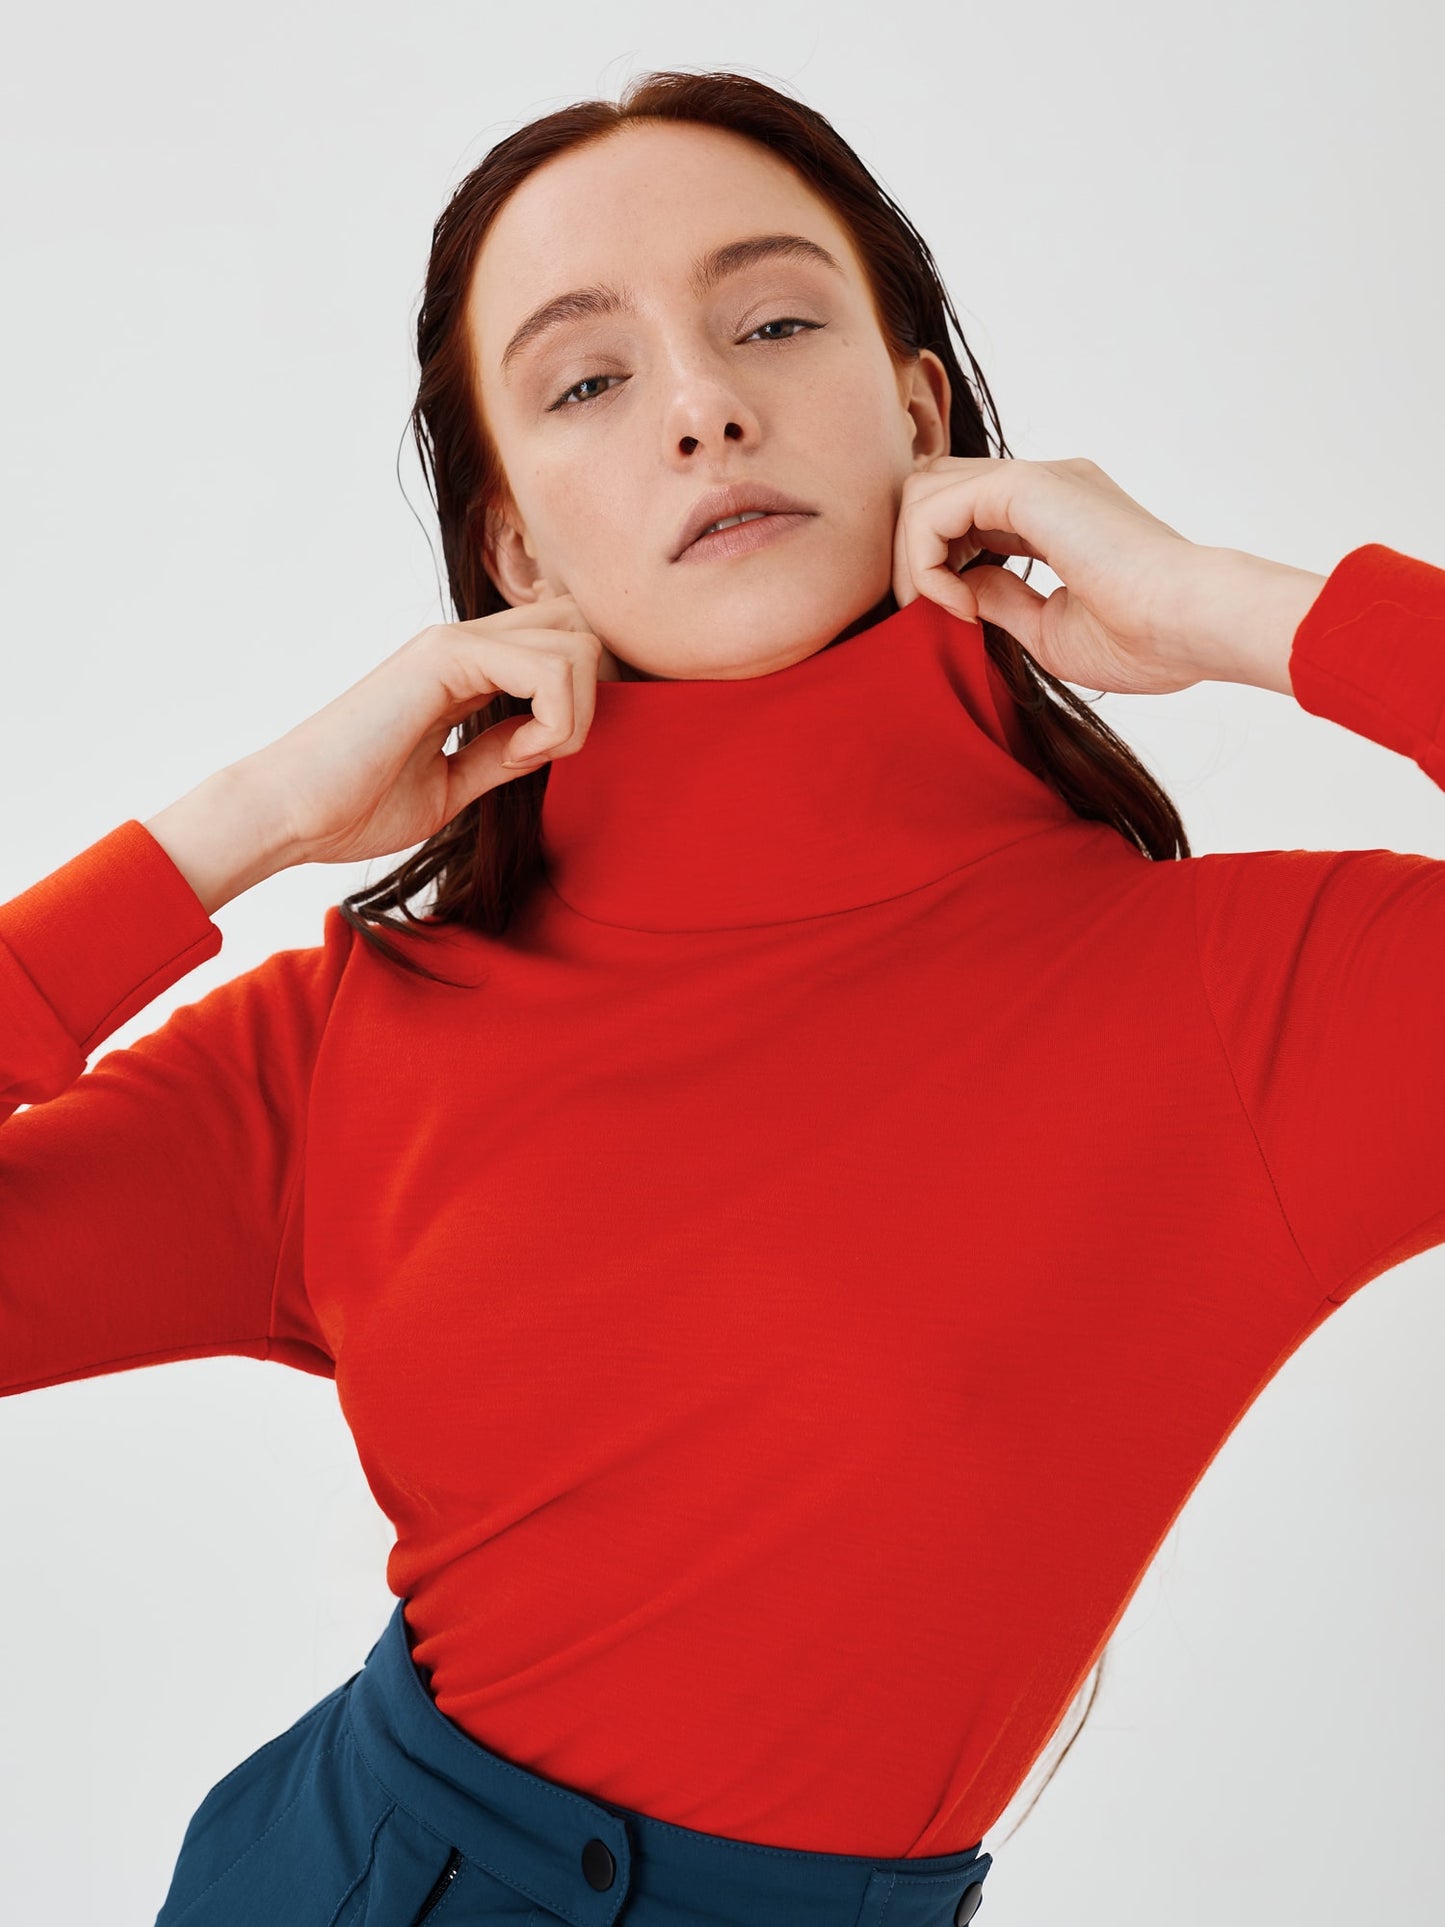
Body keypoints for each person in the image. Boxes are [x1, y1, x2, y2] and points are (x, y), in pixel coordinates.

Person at [3, 68, 1442, 1927]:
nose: (705, 406)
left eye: (771, 320)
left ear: (916, 405)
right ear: (514, 546)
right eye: (587, 382)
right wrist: (239, 825)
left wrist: (1238, 608)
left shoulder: (1249, 1009)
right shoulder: (348, 1044)